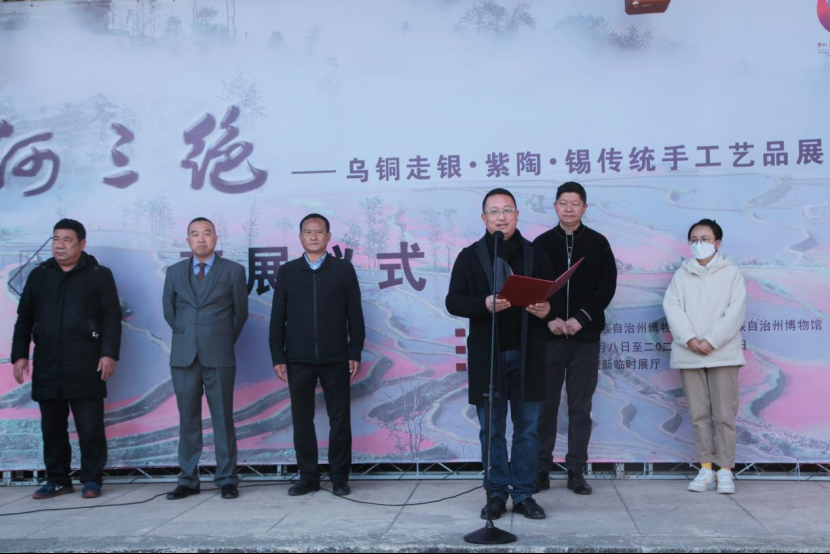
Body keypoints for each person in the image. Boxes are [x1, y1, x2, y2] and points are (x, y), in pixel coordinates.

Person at [446, 188, 555, 521]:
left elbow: (552, 298)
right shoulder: (470, 256)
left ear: (517, 215)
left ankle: (523, 494)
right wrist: (483, 304)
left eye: (507, 210)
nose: (501, 217)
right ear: (484, 218)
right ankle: (495, 494)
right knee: (491, 430)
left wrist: (547, 309)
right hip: (488, 357)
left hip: (529, 354)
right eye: (494, 211)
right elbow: (453, 301)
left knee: (528, 428)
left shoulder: (536, 254)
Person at [12, 219, 122, 500]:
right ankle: (57, 479)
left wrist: (109, 353)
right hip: (48, 362)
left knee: (90, 426)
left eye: (67, 240)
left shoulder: (99, 275)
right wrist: (20, 355)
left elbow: (112, 316)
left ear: (82, 244)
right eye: (56, 239)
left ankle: (92, 479)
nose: (59, 245)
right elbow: (24, 317)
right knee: (52, 427)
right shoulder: (40, 275)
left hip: (86, 362)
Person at [270, 213, 365, 497]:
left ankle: (339, 477)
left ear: (328, 237)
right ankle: (308, 476)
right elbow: (277, 318)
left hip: (336, 358)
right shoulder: (288, 272)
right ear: (300, 237)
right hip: (298, 358)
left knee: (340, 419)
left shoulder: (343, 270)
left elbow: (355, 315)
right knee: (302, 420)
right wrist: (278, 356)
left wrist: (354, 351)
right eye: (308, 232)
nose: (313, 236)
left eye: (319, 232)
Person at [533, 182, 617, 495]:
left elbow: (606, 288)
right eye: (563, 203)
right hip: (549, 336)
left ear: (585, 207)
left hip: (586, 338)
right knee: (546, 407)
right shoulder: (541, 244)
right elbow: (534, 288)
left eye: (575, 203)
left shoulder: (598, 243)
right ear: (555, 206)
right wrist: (551, 319)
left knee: (580, 408)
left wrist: (580, 318)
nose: (569, 209)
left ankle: (576, 472)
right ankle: (540, 470)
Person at [162, 217, 249, 500]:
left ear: (216, 238)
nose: (201, 239)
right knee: (188, 418)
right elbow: (170, 313)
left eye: (207, 233)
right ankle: (188, 479)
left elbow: (240, 314)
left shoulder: (234, 271)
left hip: (219, 354)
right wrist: (190, 336)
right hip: (184, 355)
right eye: (195, 234)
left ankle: (227, 478)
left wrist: (219, 338)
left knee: (223, 417)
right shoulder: (174, 272)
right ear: (187, 240)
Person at [663, 218, 746, 495]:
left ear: (717, 243)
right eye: (694, 239)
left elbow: (735, 311)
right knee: (699, 414)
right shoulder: (681, 274)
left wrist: (711, 340)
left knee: (724, 414)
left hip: (723, 354)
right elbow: (672, 308)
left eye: (705, 239)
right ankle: (706, 468)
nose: (699, 244)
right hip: (689, 354)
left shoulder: (731, 273)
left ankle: (725, 470)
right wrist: (690, 339)